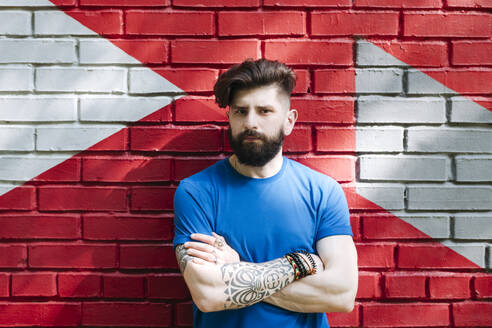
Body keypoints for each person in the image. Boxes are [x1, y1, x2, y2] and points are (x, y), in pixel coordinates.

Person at [173, 58, 358, 328]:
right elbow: (208, 294)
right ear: (230, 118)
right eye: (240, 111)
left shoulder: (323, 192)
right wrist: (301, 263)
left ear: (289, 121)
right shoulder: (197, 192)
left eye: (264, 111)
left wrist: (236, 269)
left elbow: (341, 295)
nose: (250, 122)